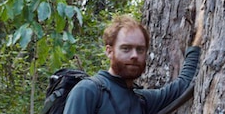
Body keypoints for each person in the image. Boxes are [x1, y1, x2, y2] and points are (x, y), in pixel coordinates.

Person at [63, 15, 202, 114]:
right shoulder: (89, 91)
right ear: (109, 51)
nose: (134, 55)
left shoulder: (141, 101)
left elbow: (184, 85)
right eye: (126, 48)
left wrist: (199, 37)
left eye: (140, 49)